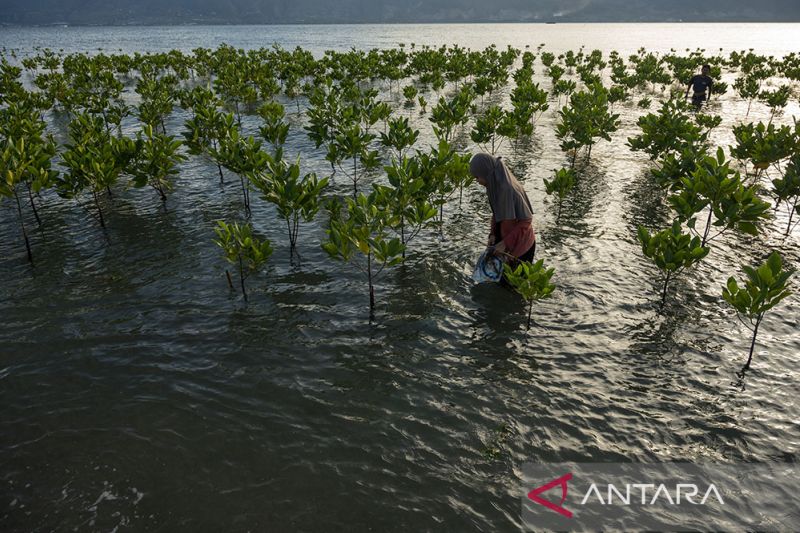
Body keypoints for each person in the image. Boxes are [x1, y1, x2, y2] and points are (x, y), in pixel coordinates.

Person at [469, 153, 536, 283]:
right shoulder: (494, 184)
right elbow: (497, 212)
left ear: (486, 172)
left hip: (521, 246)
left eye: (477, 177)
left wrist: (505, 243)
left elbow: (526, 221)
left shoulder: (508, 189)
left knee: (515, 288)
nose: (477, 181)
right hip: (506, 239)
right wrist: (493, 234)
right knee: (498, 282)